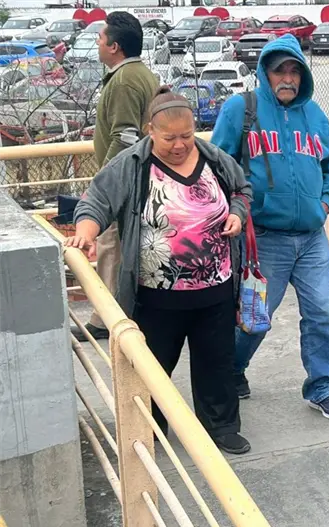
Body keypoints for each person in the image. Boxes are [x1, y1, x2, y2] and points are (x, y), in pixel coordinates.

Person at [65, 88, 254, 455]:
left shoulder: (214, 159)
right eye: (170, 138)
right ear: (150, 130)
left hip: (215, 289)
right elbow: (97, 202)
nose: (180, 145)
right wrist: (85, 233)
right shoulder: (131, 165)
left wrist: (236, 213)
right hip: (156, 297)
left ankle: (222, 425)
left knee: (216, 363)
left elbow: (242, 190)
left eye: (187, 136)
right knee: (152, 369)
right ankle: (149, 429)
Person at [211, 34, 329, 421]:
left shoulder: (315, 115)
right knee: (255, 321)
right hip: (263, 240)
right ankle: (234, 370)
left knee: (320, 313)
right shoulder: (242, 110)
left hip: (310, 239)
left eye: (294, 71)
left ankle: (321, 386)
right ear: (265, 73)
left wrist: (324, 204)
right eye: (279, 71)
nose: (287, 78)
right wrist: (240, 212)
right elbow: (219, 168)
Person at [71, 12, 158, 342]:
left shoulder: (123, 82)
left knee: (109, 248)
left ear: (115, 46)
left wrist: (103, 185)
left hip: (124, 184)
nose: (97, 42)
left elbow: (125, 137)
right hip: (140, 180)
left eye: (101, 38)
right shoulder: (140, 75)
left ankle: (105, 317)